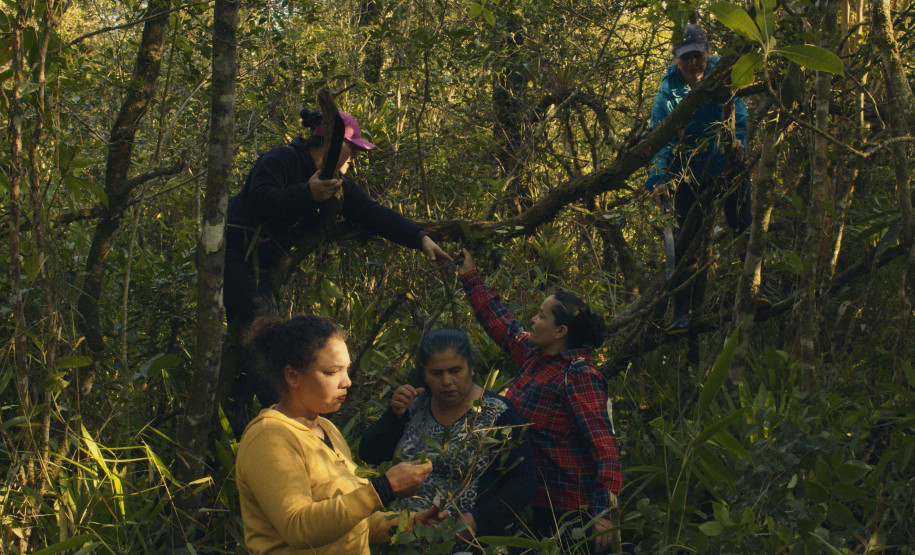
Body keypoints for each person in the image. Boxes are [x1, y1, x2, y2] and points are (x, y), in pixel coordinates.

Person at [223, 108, 451, 433]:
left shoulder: (337, 182)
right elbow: (259, 200)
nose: (353, 159)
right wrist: (307, 192)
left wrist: (420, 238)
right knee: (261, 337)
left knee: (255, 340)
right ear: (330, 143)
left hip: (269, 269)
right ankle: (281, 426)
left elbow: (371, 212)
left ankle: (255, 422)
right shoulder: (281, 160)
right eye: (351, 149)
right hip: (235, 258)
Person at [235, 315, 446, 554]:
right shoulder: (269, 437)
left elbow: (354, 524)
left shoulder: (326, 428)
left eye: (345, 369)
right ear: (293, 376)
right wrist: (384, 488)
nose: (346, 381)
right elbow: (298, 527)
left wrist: (411, 524)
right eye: (331, 372)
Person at [457, 250, 622, 554]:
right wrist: (470, 275)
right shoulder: (536, 357)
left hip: (566, 511)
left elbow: (604, 447)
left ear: (560, 331)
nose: (533, 319)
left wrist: (604, 512)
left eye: (542, 316)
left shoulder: (579, 376)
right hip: (528, 501)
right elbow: (501, 323)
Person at [643, 23, 769, 334]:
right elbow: (661, 137)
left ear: (707, 53)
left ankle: (757, 291)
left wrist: (738, 140)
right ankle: (682, 314)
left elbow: (738, 114)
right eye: (686, 58)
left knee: (743, 225)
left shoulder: (723, 73)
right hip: (689, 174)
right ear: (676, 59)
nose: (693, 63)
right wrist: (660, 179)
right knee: (688, 244)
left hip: (727, 163)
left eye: (698, 56)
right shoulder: (668, 90)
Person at [359, 328, 536, 545]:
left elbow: (524, 481)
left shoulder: (497, 413)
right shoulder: (415, 405)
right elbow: (369, 453)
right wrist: (393, 416)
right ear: (424, 373)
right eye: (436, 373)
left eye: (455, 371)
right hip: (401, 535)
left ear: (471, 367)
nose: (447, 381)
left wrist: (477, 521)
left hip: (462, 541)